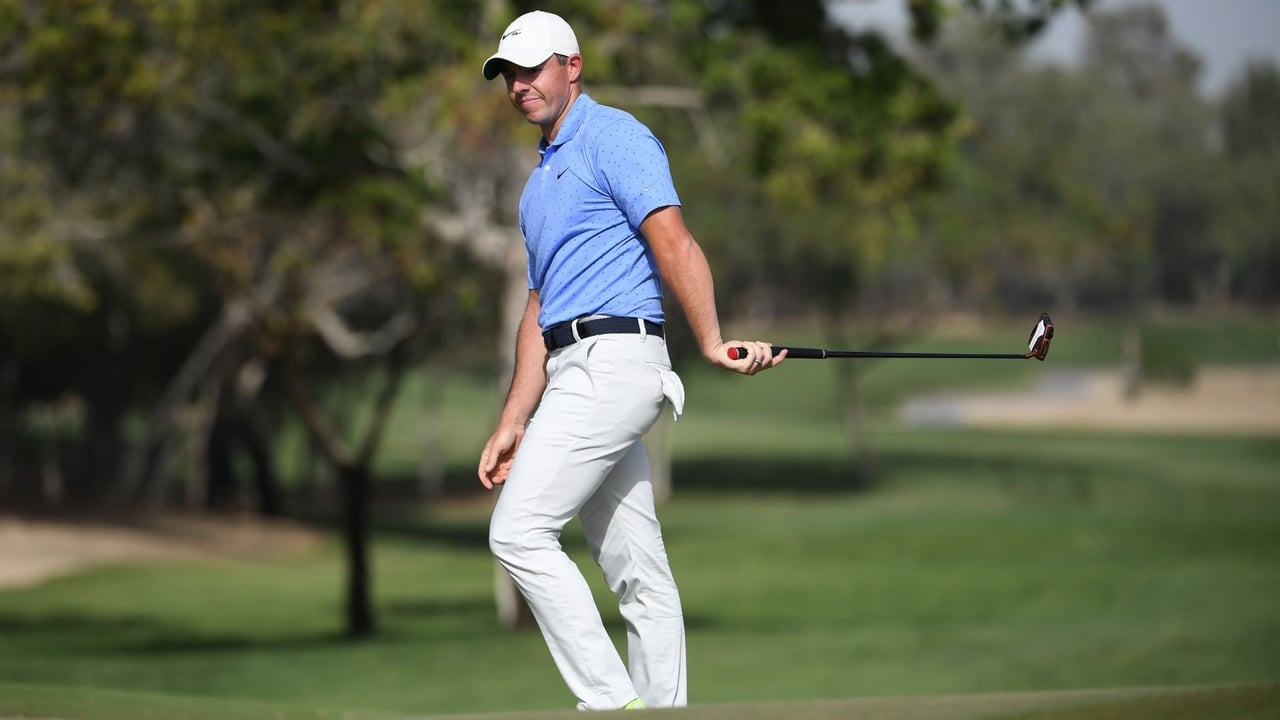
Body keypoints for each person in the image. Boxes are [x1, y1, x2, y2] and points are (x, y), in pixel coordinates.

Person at [476, 9, 786, 711]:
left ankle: (612, 705)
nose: (519, 85)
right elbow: (538, 309)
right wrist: (514, 420)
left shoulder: (614, 136)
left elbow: (674, 241)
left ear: (572, 67)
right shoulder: (537, 185)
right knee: (638, 571)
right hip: (574, 370)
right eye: (509, 75)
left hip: (614, 363)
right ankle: (661, 710)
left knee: (518, 533)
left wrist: (710, 340)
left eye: (532, 69)